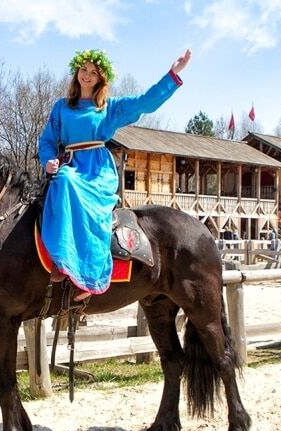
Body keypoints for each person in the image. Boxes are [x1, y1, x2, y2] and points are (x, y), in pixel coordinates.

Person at [39, 48, 191, 301]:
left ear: (101, 79)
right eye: (83, 70)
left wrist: (172, 75)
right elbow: (47, 140)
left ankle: (89, 276)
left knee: (68, 183)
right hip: (70, 165)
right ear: (77, 72)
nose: (87, 76)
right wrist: (48, 161)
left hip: (97, 171)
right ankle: (62, 258)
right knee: (63, 179)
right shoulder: (61, 108)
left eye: (93, 72)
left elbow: (145, 102)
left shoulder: (108, 108)